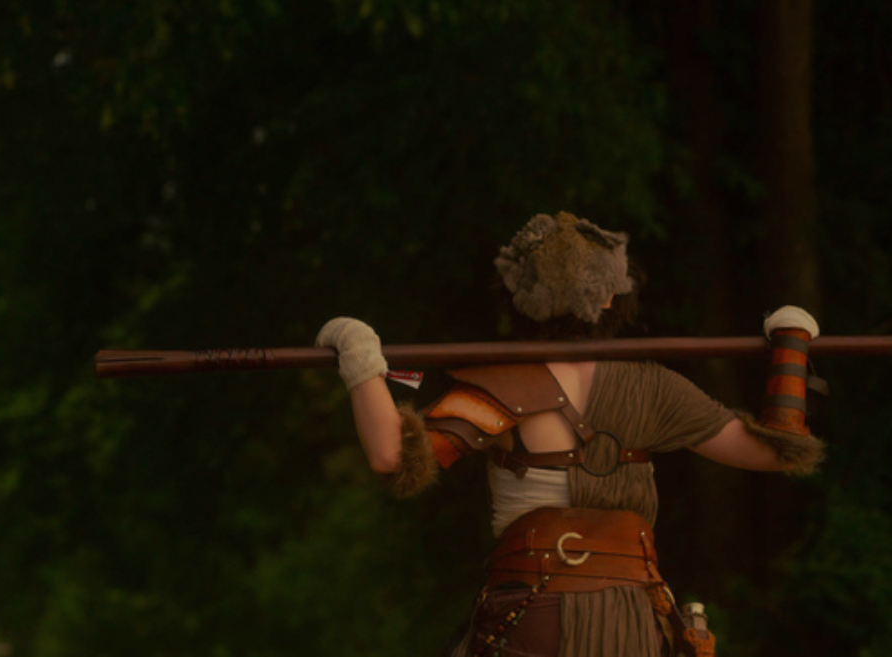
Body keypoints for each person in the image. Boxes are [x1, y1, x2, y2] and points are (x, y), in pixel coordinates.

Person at [316, 213, 822, 657]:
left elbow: (391, 455)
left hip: (531, 616)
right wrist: (791, 348)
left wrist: (357, 350)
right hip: (632, 625)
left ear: (519, 299)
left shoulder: (497, 387)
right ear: (611, 295)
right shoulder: (656, 389)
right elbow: (777, 451)